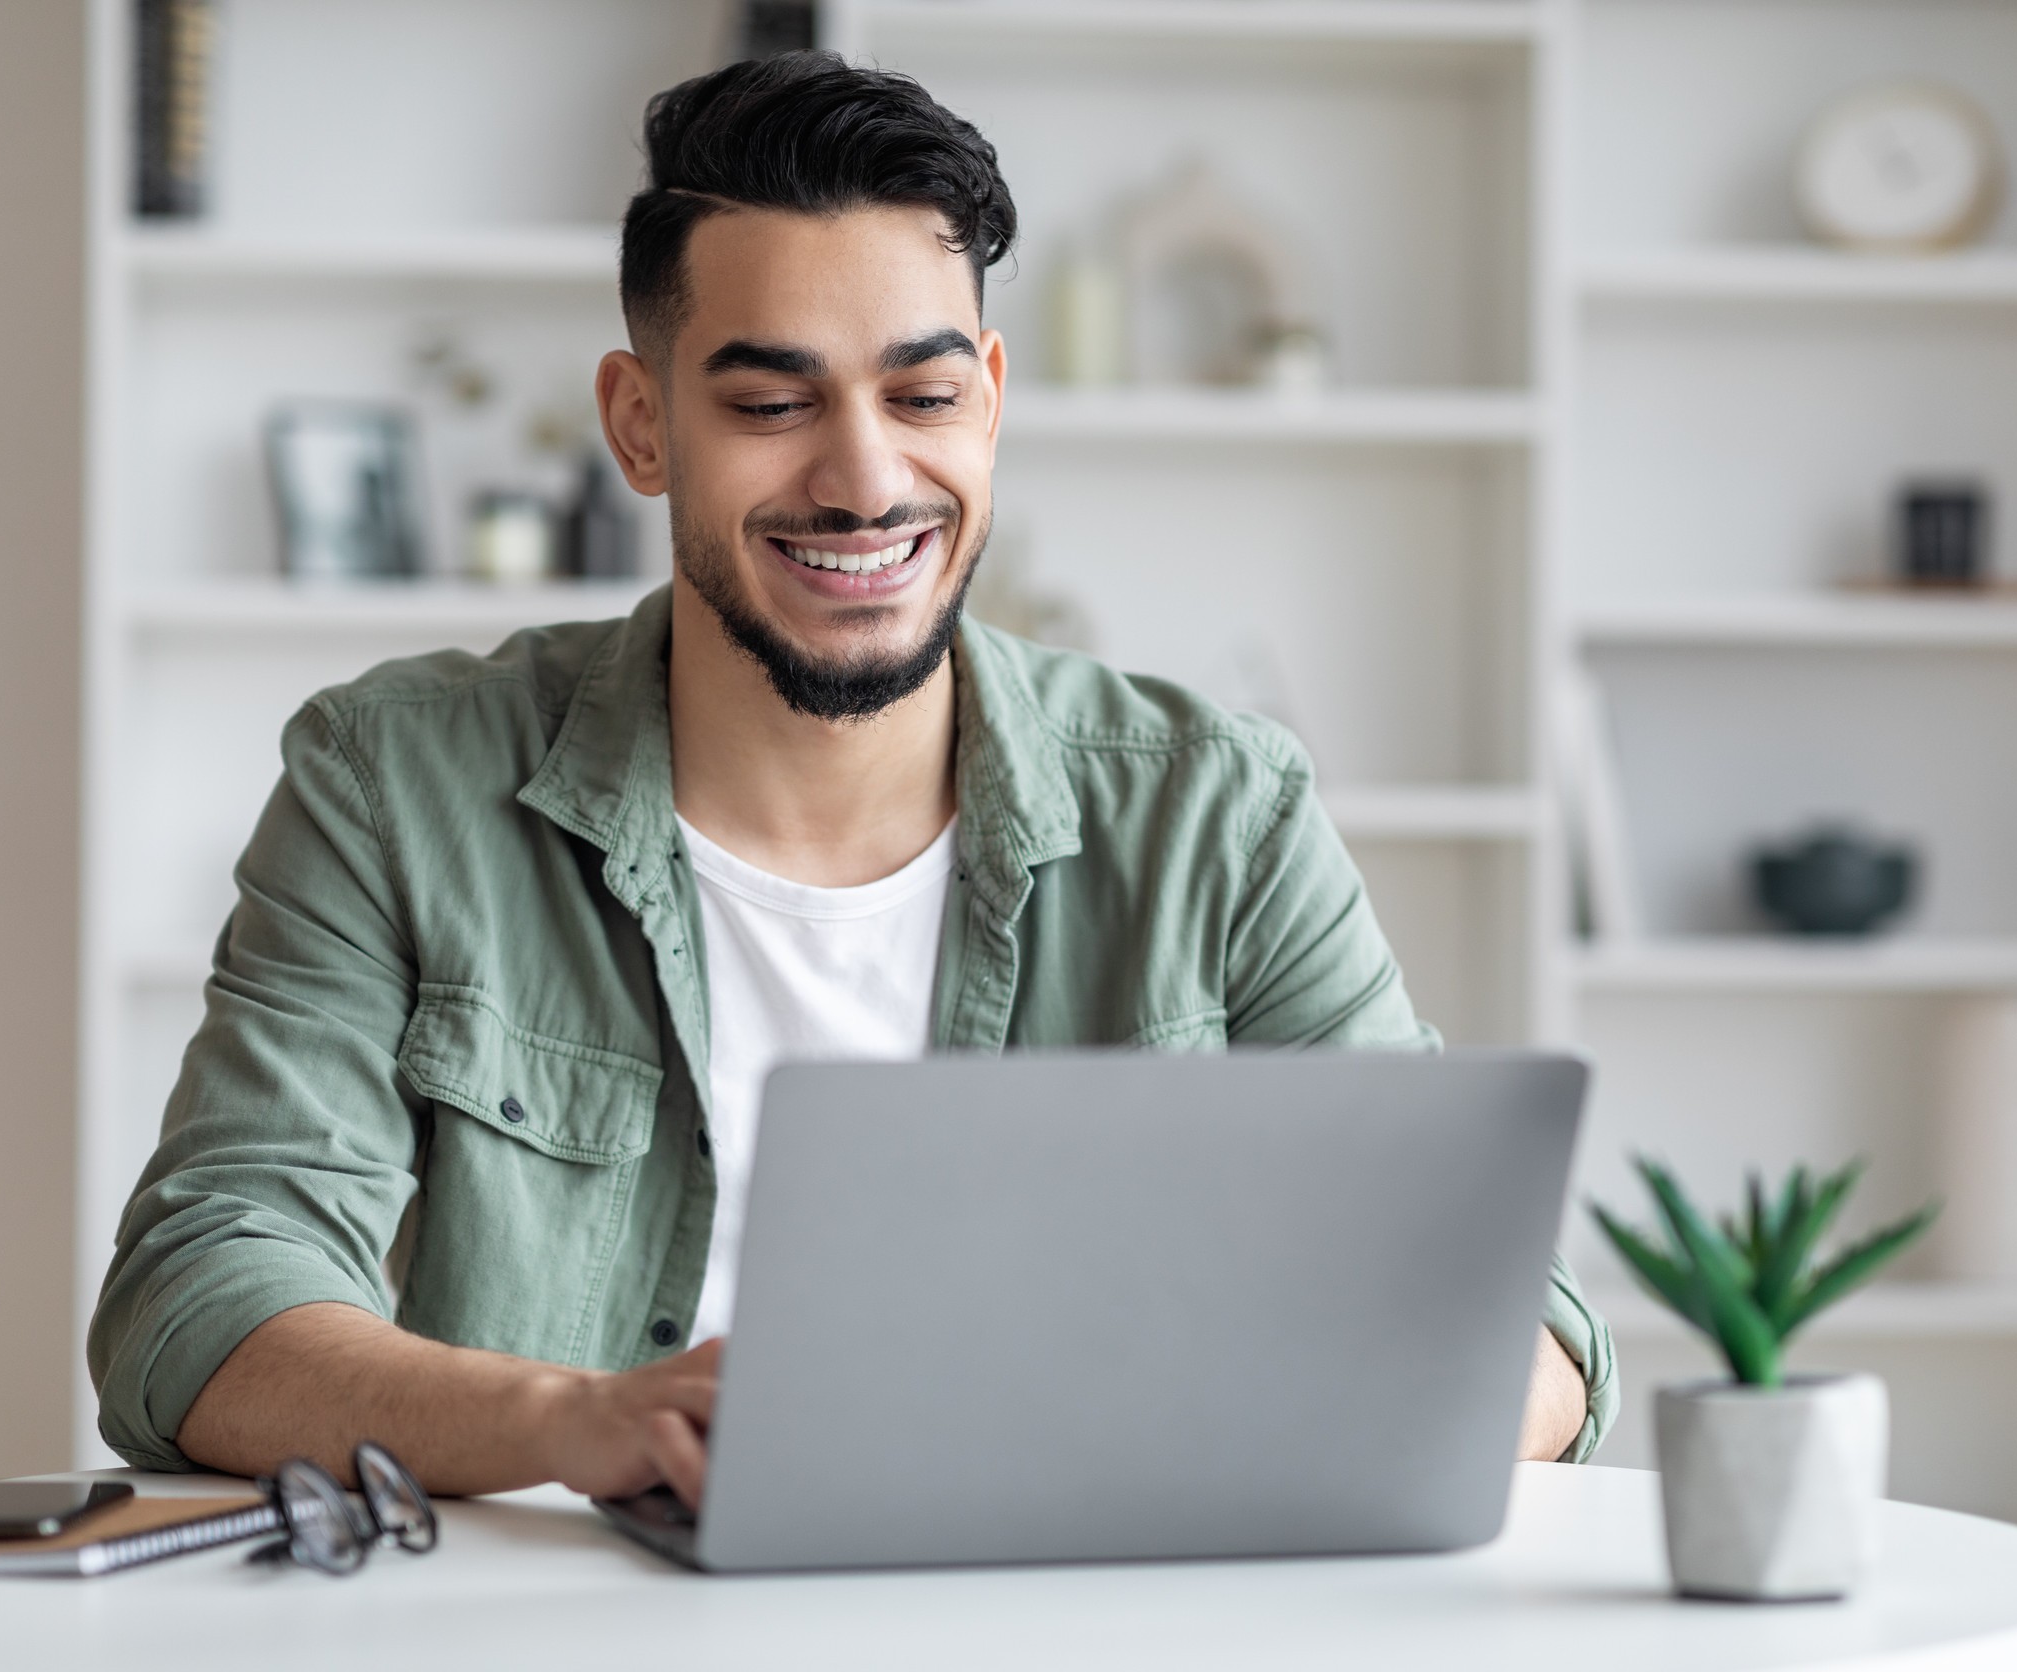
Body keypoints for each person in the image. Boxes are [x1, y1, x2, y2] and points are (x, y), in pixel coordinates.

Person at [88, 52, 1617, 1504]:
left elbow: (1517, 1321)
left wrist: (1268, 1435)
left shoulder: (1218, 810)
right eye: (770, 404)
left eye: (925, 396)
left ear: (995, 398)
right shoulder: (396, 783)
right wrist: (579, 1422)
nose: (867, 480)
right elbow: (202, 1301)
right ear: (640, 423)